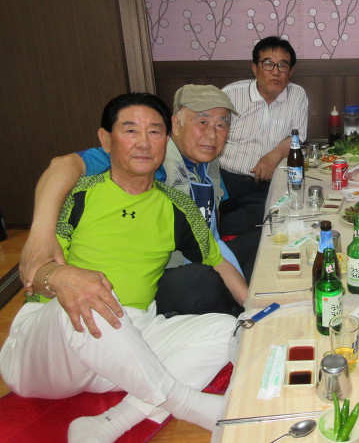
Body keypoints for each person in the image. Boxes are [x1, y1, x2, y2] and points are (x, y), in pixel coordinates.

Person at [0, 93, 246, 443]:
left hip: (130, 342)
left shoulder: (176, 207)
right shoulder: (77, 195)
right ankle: (184, 401)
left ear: (166, 139)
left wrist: (254, 310)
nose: (144, 143)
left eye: (154, 132)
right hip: (53, 348)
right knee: (92, 294)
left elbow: (219, 262)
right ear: (106, 140)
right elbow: (33, 277)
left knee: (227, 329)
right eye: (131, 130)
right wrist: (62, 277)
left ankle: (109, 424)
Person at [18, 85, 253, 317]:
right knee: (200, 282)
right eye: (202, 122)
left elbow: (212, 231)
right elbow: (63, 165)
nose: (212, 134)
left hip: (200, 250)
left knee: (257, 248)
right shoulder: (145, 159)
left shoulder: (208, 164)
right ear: (175, 124)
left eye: (222, 124)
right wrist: (40, 235)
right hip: (161, 273)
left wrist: (251, 303)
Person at [218, 36, 308, 237]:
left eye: (283, 65)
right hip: (225, 180)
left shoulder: (297, 95)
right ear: (254, 68)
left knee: (277, 223)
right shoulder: (230, 95)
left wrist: (273, 156)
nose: (276, 72)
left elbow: (297, 136)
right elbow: (210, 137)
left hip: (269, 184)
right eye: (268, 64)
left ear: (291, 72)